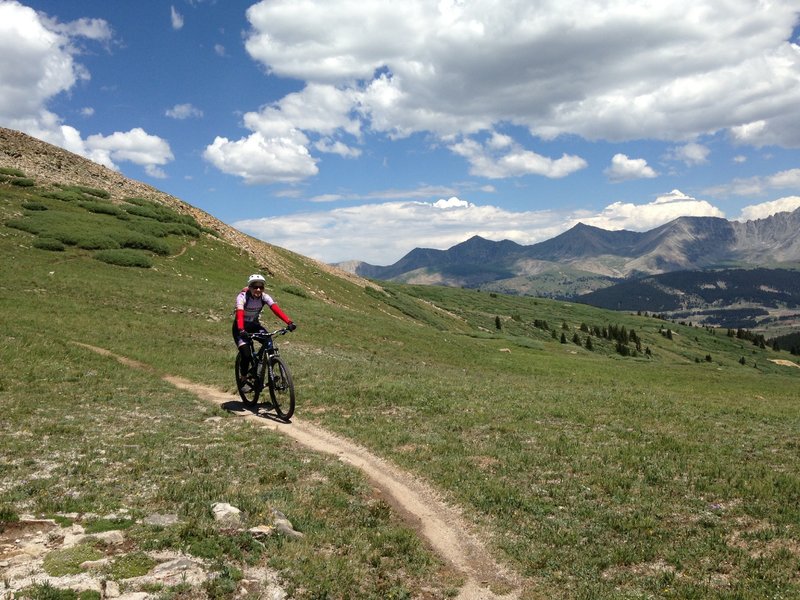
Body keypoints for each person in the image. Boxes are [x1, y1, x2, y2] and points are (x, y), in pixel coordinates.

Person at [233, 273, 297, 379]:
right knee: (246, 355)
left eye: (261, 287)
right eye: (255, 287)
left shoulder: (264, 297)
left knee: (269, 343)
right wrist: (241, 329)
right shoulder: (242, 297)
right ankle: (243, 377)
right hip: (240, 327)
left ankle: (262, 369)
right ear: (249, 287)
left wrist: (289, 322)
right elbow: (239, 313)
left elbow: (276, 309)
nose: (258, 289)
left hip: (254, 325)